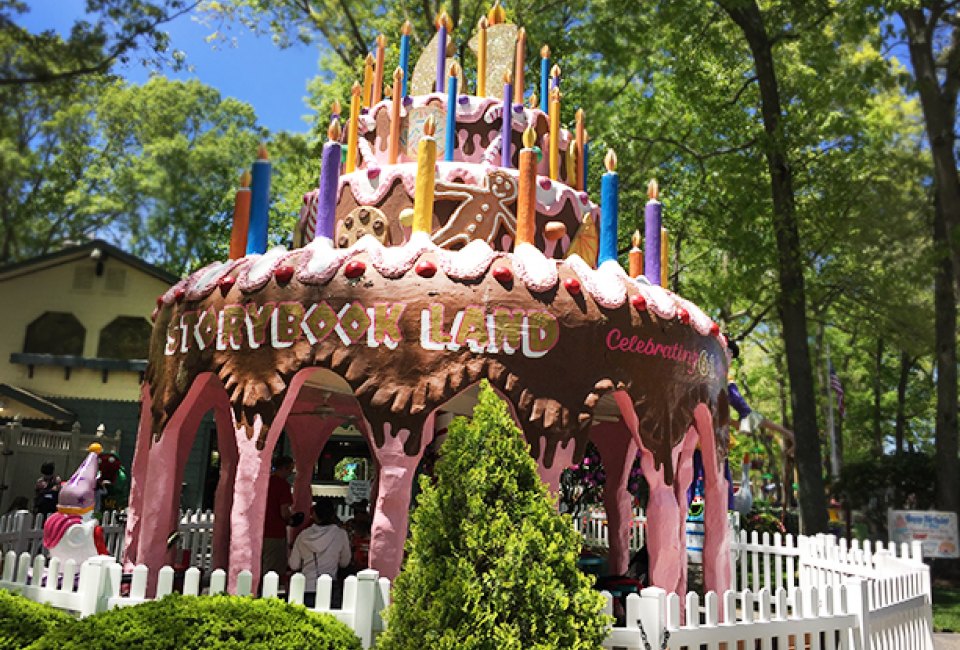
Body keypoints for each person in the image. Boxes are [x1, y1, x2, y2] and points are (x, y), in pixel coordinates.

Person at [289, 499, 351, 608]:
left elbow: (294, 565)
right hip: (330, 588)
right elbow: (344, 563)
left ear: (314, 515)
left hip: (306, 587)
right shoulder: (340, 534)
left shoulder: (303, 535)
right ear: (333, 515)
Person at [261, 455, 295, 579]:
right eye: (290, 469)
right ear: (284, 468)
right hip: (275, 532)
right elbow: (284, 511)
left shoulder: (265, 482)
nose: (291, 473)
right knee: (272, 567)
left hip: (260, 529)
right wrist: (291, 519)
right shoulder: (283, 486)